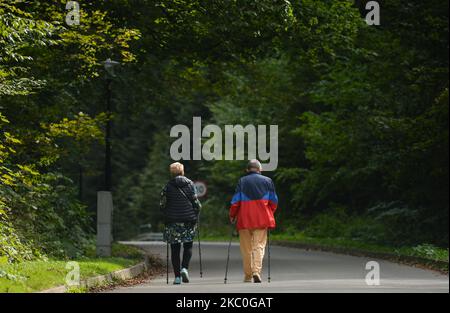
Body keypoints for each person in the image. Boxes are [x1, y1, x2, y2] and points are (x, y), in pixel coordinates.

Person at [229, 159, 278, 283]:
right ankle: (256, 271)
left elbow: (235, 202)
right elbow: (273, 202)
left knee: (246, 249)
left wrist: (232, 215)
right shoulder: (268, 181)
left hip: (244, 219)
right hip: (262, 219)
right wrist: (270, 212)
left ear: (247, 170)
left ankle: (248, 275)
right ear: (260, 169)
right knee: (259, 246)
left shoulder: (242, 181)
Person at [160, 162, 201, 285]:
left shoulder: (167, 186)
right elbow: (196, 203)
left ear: (171, 173)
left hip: (173, 222)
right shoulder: (190, 184)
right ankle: (184, 268)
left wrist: (166, 213)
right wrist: (197, 211)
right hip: (188, 221)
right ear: (182, 172)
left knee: (175, 248)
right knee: (188, 245)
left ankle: (177, 277)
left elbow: (162, 205)